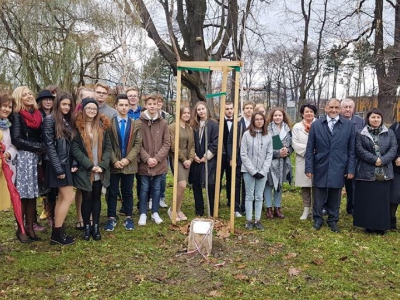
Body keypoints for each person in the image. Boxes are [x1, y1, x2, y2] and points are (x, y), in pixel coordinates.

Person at [305, 98, 356, 232]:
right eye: (331, 107)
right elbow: (310, 149)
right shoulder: (316, 125)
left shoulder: (348, 125)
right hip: (320, 163)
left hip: (339, 164)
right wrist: (309, 168)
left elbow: (351, 150)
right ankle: (317, 219)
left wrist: (351, 169)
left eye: (336, 108)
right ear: (326, 108)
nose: (334, 110)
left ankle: (333, 220)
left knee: (335, 193)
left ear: (340, 109)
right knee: (319, 193)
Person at [71, 98, 111, 241]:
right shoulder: (78, 127)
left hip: (99, 170)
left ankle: (96, 226)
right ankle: (86, 226)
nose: (92, 111)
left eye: (94, 109)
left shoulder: (102, 127)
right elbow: (75, 149)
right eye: (89, 108)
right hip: (85, 169)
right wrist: (89, 165)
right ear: (83, 109)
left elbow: (108, 148)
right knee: (86, 197)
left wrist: (102, 165)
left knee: (96, 197)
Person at [353, 108, 397, 235]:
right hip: (366, 171)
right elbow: (359, 149)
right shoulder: (361, 133)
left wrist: (382, 160)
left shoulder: (390, 133)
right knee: (368, 199)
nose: (376, 119)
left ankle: (381, 226)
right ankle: (368, 225)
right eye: (373, 117)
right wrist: (374, 160)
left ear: (381, 119)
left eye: (378, 117)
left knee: (382, 200)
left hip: (384, 172)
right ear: (368, 118)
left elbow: (393, 148)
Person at [11, 86, 46, 241]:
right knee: (23, 195)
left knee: (32, 195)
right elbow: (16, 139)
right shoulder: (17, 115)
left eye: (30, 93)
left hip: (34, 158)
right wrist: (38, 147)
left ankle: (31, 227)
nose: (29, 96)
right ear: (19, 99)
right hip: (23, 157)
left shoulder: (38, 114)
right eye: (24, 95)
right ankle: (21, 229)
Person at [42, 91, 77, 245]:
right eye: (64, 104)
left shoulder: (65, 120)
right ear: (58, 104)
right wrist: (58, 169)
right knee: (69, 197)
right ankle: (56, 234)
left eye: (69, 105)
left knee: (62, 198)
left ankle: (58, 231)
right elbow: (49, 146)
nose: (67, 107)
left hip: (65, 164)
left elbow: (70, 145)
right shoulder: (50, 120)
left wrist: (73, 163)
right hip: (57, 165)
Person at [105, 94, 141, 231]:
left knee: (128, 192)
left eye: (126, 105)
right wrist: (114, 160)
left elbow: (137, 144)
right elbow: (107, 144)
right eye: (121, 105)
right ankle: (111, 217)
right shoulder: (109, 123)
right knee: (112, 191)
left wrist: (127, 159)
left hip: (129, 164)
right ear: (116, 106)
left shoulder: (135, 124)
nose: (124, 107)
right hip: (114, 164)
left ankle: (128, 217)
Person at [137, 95, 170, 226]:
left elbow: (167, 143)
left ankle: (155, 212)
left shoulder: (164, 123)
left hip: (159, 163)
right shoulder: (138, 123)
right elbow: (137, 143)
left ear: (158, 105)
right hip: (144, 163)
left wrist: (156, 159)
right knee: (144, 188)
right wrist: (147, 158)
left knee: (157, 188)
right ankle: (143, 213)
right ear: (145, 105)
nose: (152, 106)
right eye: (149, 103)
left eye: (154, 104)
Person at [241, 112, 273, 230]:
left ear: (264, 121)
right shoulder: (246, 135)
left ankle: (257, 219)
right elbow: (243, 154)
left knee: (259, 196)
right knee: (249, 195)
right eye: (256, 119)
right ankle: (249, 220)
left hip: (263, 171)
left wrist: (263, 170)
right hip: (249, 171)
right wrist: (253, 171)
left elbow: (269, 153)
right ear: (253, 121)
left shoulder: (268, 135)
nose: (259, 121)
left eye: (261, 119)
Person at [189, 101, 219, 217]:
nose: (201, 111)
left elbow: (216, 142)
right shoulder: (194, 125)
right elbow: (191, 142)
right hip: (196, 159)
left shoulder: (213, 124)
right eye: (199, 109)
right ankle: (199, 210)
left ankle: (211, 209)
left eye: (203, 109)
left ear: (207, 109)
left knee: (210, 183)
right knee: (196, 183)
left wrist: (207, 156)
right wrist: (195, 155)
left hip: (209, 159)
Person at [264, 107, 292, 219]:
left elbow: (291, 146)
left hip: (283, 162)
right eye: (275, 115)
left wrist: (287, 151)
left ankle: (277, 208)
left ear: (283, 116)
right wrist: (278, 153)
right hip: (270, 162)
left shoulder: (287, 129)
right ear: (272, 117)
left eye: (280, 115)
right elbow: (267, 147)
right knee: (269, 185)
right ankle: (269, 208)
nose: (277, 117)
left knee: (279, 185)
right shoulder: (268, 129)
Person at [227, 101, 254, 216]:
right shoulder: (238, 123)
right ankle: (236, 208)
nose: (248, 110)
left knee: (247, 184)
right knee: (237, 183)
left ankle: (245, 206)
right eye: (246, 108)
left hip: (252, 158)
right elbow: (230, 141)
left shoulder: (256, 122)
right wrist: (231, 157)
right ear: (243, 110)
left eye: (251, 108)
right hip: (238, 158)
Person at [168, 106, 195, 222]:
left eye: (188, 113)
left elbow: (192, 145)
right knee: (182, 185)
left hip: (187, 159)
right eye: (184, 113)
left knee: (182, 187)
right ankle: (172, 210)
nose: (186, 115)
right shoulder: (172, 127)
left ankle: (178, 210)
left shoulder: (189, 128)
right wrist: (184, 159)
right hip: (177, 158)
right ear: (179, 114)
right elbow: (173, 145)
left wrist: (190, 159)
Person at [73, 87, 95, 230]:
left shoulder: (95, 113)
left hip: (94, 157)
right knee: (81, 189)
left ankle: (91, 214)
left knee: (92, 188)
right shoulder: (75, 117)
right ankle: (80, 216)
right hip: (80, 159)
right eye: (85, 97)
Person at [292, 104, 317, 220]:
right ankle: (306, 209)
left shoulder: (319, 125)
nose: (309, 114)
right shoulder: (297, 127)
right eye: (306, 112)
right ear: (302, 113)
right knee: (305, 186)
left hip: (318, 159)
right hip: (303, 158)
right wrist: (310, 149)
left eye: (311, 111)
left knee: (317, 185)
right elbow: (295, 143)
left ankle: (316, 210)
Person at [341, 99, 365, 215]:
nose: (347, 109)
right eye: (345, 107)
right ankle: (327, 206)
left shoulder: (361, 122)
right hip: (339, 157)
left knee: (352, 185)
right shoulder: (336, 121)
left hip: (354, 158)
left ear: (353, 108)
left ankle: (352, 208)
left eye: (350, 107)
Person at [36, 90, 56, 227]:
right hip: (41, 153)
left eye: (50, 99)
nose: (48, 102)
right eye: (45, 100)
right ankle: (46, 208)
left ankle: (53, 213)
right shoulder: (38, 115)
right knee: (43, 183)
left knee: (53, 186)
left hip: (54, 153)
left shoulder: (57, 115)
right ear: (41, 101)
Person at [156, 94, 174, 209]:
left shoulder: (168, 117)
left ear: (162, 104)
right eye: (154, 102)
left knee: (162, 175)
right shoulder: (145, 115)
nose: (157, 105)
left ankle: (161, 197)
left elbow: (170, 133)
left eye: (159, 102)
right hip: (150, 150)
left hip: (164, 150)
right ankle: (151, 198)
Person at [0, 93, 16, 212]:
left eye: (9, 107)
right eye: (4, 106)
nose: (7, 109)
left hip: (4, 166)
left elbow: (12, 145)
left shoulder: (7, 125)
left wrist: (8, 153)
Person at [220, 102, 237, 215]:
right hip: (221, 155)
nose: (229, 111)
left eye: (231, 108)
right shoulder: (219, 122)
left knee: (232, 178)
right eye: (227, 109)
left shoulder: (238, 123)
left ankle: (231, 200)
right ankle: (217, 200)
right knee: (219, 178)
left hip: (233, 156)